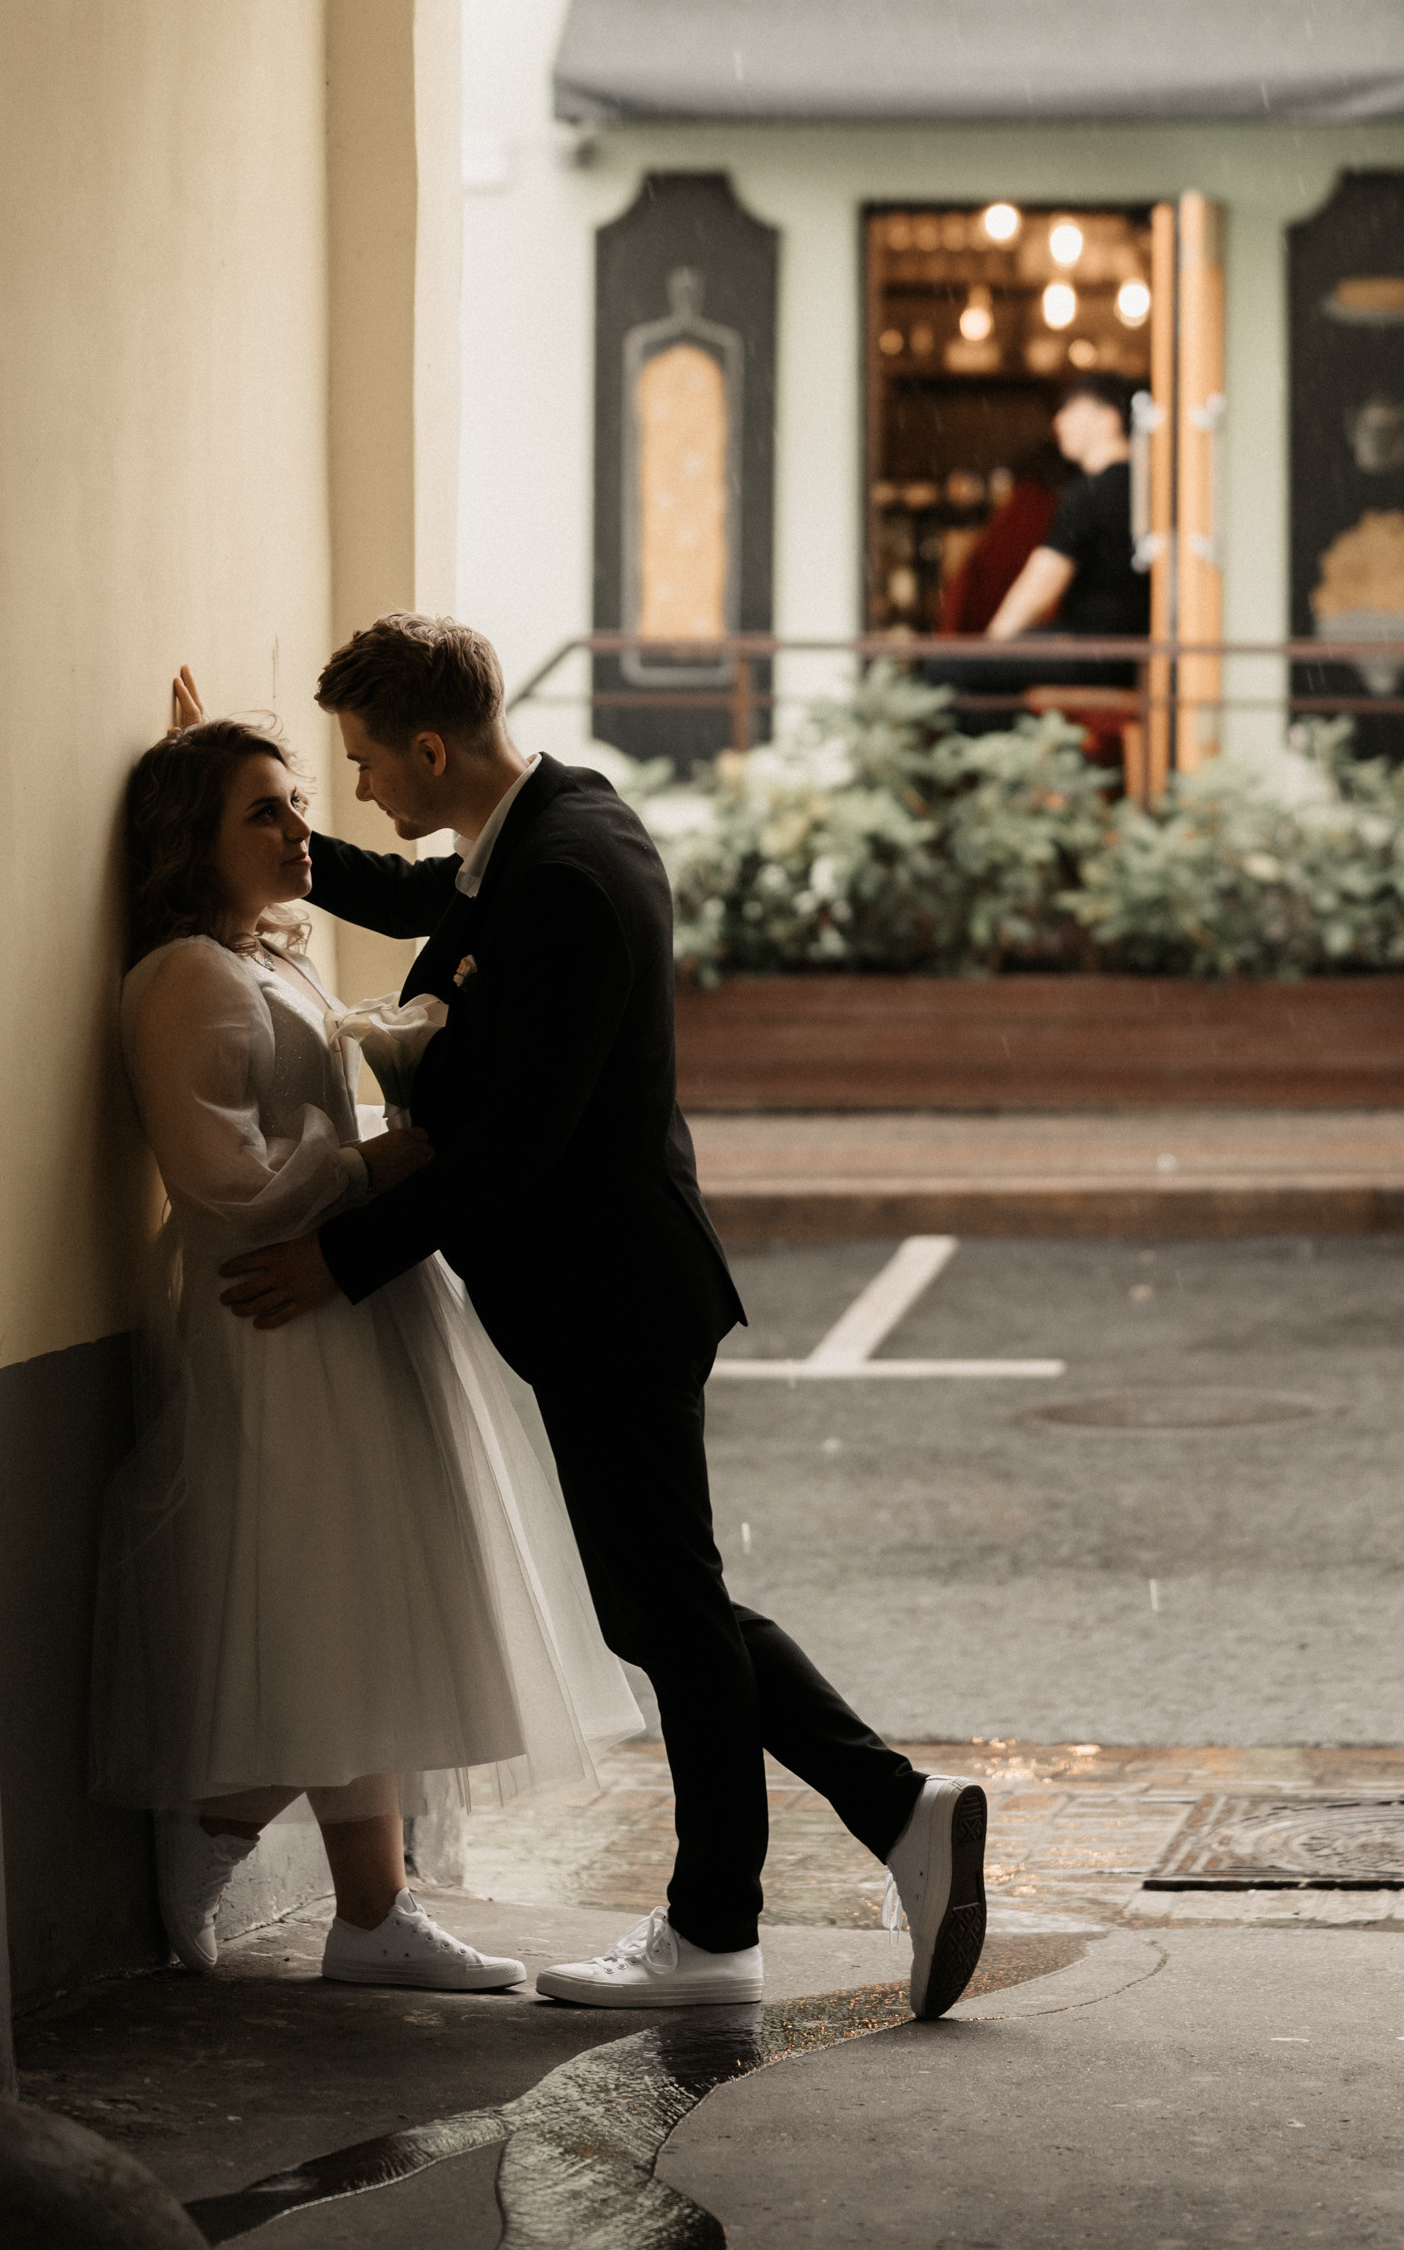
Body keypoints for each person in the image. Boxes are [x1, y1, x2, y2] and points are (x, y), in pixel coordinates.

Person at [214, 614, 989, 2021]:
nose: (363, 792)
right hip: (607, 1287)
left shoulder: (565, 872)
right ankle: (890, 1820)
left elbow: (513, 1141)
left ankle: (729, 1924)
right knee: (663, 1608)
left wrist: (343, 1259)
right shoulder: (542, 832)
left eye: (366, 765)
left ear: (432, 748)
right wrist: (267, 844)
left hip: (612, 1294)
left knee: (668, 1614)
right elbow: (426, 906)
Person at [96, 701, 640, 1990]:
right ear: (193, 837)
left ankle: (371, 1909)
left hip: (345, 1294)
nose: (300, 827)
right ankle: (221, 1818)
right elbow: (216, 1172)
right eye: (265, 810)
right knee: (317, 1590)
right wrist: (380, 1155)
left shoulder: (266, 955)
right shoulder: (182, 974)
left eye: (296, 800)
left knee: (375, 1593)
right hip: (273, 1311)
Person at [926, 373, 1148, 727]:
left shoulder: (1089, 494)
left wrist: (991, 648)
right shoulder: (1148, 489)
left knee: (945, 670)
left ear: (1109, 419)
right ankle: (1035, 761)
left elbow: (1039, 586)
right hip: (1129, 654)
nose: (1059, 422)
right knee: (985, 680)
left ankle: (1010, 769)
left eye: (1071, 410)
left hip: (1089, 651)